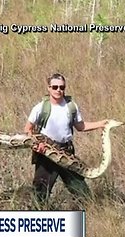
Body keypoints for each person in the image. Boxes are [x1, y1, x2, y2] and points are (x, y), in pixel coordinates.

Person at [24, 73, 108, 209]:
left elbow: (80, 126)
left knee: (82, 191)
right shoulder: (40, 107)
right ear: (49, 88)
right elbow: (28, 129)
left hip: (66, 152)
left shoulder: (71, 106)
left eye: (61, 87)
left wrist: (101, 124)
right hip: (46, 153)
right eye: (55, 87)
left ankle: (86, 217)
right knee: (40, 193)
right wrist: (36, 144)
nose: (58, 90)